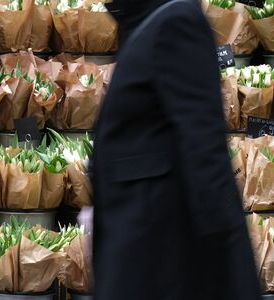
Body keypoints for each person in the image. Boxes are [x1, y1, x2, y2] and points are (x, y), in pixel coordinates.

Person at [92, 0, 261, 299]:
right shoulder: (145, 25)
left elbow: (206, 154)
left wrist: (235, 276)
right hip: (143, 259)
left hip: (162, 265)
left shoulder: (175, 22)